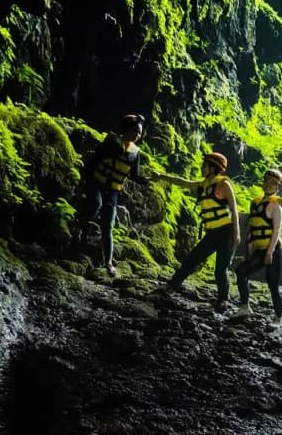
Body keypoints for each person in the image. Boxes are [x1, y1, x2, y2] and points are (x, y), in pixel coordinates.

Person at [155, 151, 240, 309]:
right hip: (212, 233)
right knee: (192, 259)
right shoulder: (202, 185)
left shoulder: (224, 184)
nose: (202, 167)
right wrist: (161, 175)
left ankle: (223, 300)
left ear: (213, 168)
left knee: (220, 269)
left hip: (226, 232)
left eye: (204, 165)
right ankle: (171, 286)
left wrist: (237, 234)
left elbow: (234, 210)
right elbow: (181, 181)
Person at [74, 113, 147, 277]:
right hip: (97, 182)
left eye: (139, 133)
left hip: (113, 190)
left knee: (108, 225)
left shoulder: (135, 153)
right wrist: (83, 180)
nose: (137, 135)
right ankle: (79, 228)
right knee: (96, 204)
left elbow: (134, 175)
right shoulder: (111, 142)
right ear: (126, 129)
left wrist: (145, 180)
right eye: (134, 131)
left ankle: (108, 262)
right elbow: (94, 161)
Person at [232, 168, 282, 323]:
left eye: (273, 183)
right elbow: (252, 228)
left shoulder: (276, 206)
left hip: (273, 250)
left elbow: (277, 230)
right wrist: (250, 247)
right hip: (259, 249)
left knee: (273, 285)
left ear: (278, 186)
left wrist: (270, 252)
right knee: (241, 271)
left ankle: (278, 319)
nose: (269, 185)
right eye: (267, 181)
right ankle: (244, 306)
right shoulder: (255, 203)